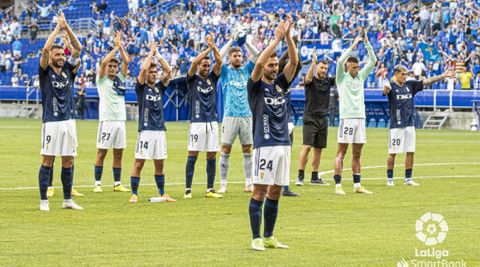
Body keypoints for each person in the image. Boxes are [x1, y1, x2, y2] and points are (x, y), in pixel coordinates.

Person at [247, 19, 297, 251]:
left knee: (275, 191)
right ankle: (256, 237)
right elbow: (257, 63)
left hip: (284, 144)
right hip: (264, 144)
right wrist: (276, 39)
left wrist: (287, 37)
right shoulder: (255, 86)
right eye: (271, 65)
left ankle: (269, 236)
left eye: (276, 64)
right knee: (259, 191)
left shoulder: (280, 85)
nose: (275, 68)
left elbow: (294, 62)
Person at [37, 12, 83, 211]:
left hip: (69, 121)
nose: (61, 57)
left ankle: (67, 200)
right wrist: (57, 27)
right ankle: (44, 201)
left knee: (68, 160)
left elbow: (78, 49)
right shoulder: (45, 72)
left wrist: (67, 28)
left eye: (62, 55)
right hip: (51, 121)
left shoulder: (68, 73)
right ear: (50, 59)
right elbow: (46, 48)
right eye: (58, 55)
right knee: (48, 159)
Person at [383, 65, 454, 186]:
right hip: (396, 124)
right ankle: (390, 179)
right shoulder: (391, 85)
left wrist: (443, 75)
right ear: (396, 73)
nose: (405, 76)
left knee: (410, 151)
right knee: (392, 152)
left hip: (410, 124)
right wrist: (385, 89)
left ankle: (408, 179)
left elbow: (426, 81)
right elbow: (385, 92)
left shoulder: (410, 85)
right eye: (403, 74)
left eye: (406, 74)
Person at [128, 41, 176, 203]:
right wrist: (150, 54)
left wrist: (158, 55)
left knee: (160, 164)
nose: (154, 74)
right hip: (146, 129)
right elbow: (142, 71)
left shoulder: (159, 88)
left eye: (155, 72)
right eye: (152, 72)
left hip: (160, 130)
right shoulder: (141, 88)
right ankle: (134, 193)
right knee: (139, 162)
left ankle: (162, 193)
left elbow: (168, 71)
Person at [216, 27, 260, 194]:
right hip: (230, 115)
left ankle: (249, 183)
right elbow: (218, 57)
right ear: (230, 58)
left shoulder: (247, 70)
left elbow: (257, 56)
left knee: (247, 149)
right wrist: (231, 40)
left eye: (240, 55)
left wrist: (245, 42)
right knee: (226, 149)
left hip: (247, 114)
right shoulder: (226, 72)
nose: (238, 58)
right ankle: (223, 184)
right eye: (235, 56)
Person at [333, 31, 376, 195]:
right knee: (341, 152)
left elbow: (373, 61)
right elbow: (340, 60)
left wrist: (367, 43)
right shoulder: (341, 78)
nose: (357, 70)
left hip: (360, 118)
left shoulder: (361, 77)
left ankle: (357, 185)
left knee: (357, 153)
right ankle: (338, 185)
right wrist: (353, 45)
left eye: (358, 67)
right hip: (347, 119)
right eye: (354, 67)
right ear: (347, 68)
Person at [183, 34, 223, 199]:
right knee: (193, 154)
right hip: (197, 122)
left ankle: (210, 189)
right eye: (204, 66)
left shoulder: (212, 79)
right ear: (199, 66)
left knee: (212, 154)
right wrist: (207, 48)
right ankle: (188, 189)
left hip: (212, 122)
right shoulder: (192, 80)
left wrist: (214, 48)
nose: (207, 68)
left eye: (208, 66)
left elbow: (219, 62)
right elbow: (193, 63)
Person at [93, 32, 131, 193]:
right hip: (107, 121)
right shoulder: (102, 80)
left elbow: (127, 61)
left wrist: (120, 46)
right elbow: (103, 62)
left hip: (120, 121)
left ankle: (117, 184)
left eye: (115, 66)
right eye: (111, 66)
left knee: (118, 153)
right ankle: (97, 183)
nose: (113, 68)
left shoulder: (120, 80)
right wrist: (115, 47)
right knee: (102, 152)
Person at [296, 48, 335, 187]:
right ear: (316, 68)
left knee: (318, 149)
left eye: (325, 68)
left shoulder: (329, 81)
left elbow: (341, 77)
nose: (324, 70)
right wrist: (313, 62)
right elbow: (307, 78)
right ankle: (300, 177)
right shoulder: (311, 81)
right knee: (306, 147)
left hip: (323, 118)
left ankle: (314, 177)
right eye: (322, 67)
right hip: (310, 117)